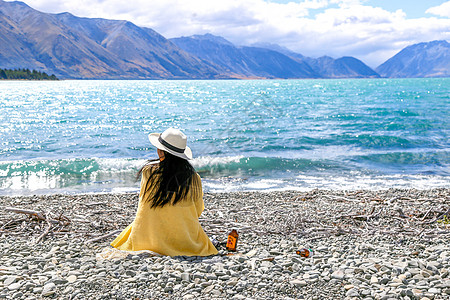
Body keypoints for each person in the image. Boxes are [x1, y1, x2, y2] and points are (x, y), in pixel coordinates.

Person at [111, 128, 218, 256]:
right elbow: (198, 211)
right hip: (183, 241)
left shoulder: (148, 172)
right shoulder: (194, 178)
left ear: (161, 152)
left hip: (146, 239)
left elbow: (143, 205)